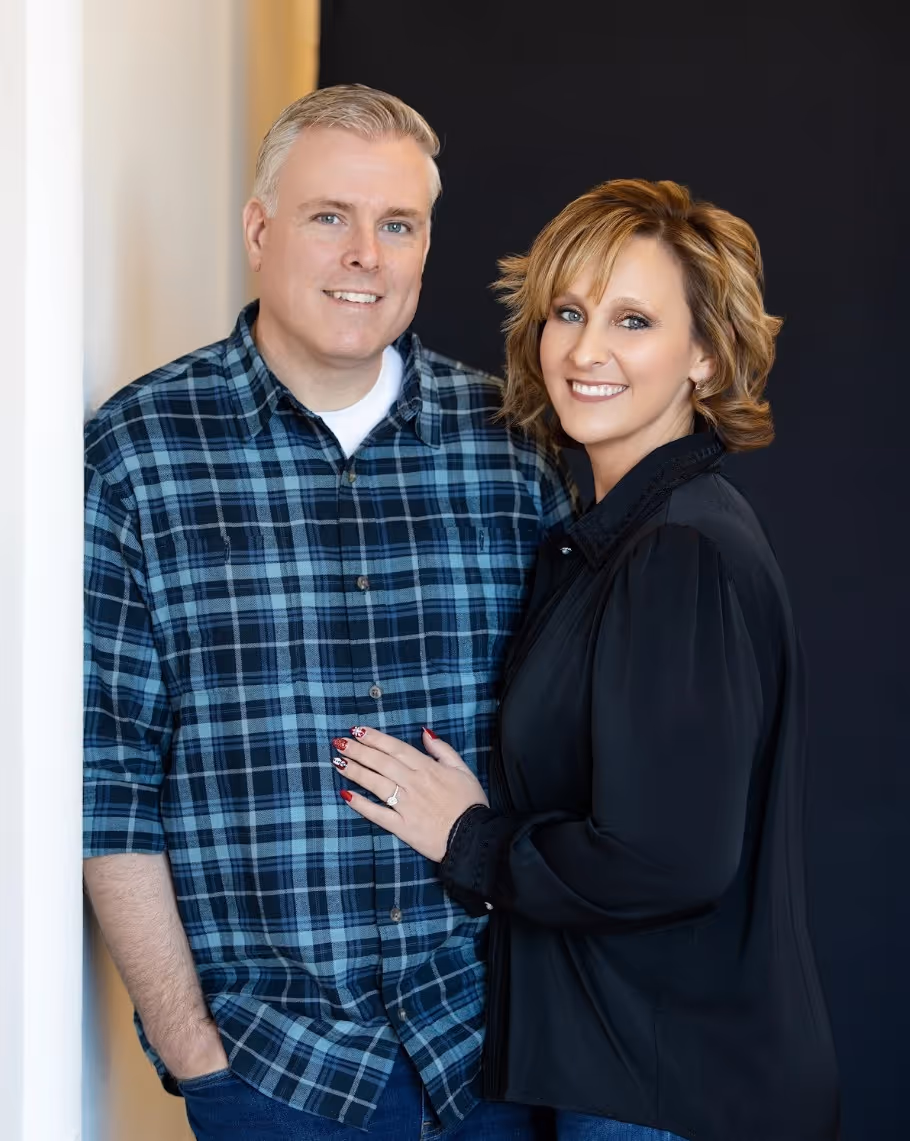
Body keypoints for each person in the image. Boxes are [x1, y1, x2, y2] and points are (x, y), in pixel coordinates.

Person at [83, 85, 577, 1141]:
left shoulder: (513, 451)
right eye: (329, 216)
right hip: (273, 1072)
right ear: (260, 230)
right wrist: (193, 1050)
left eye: (397, 224)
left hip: (495, 1048)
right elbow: (106, 778)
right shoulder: (139, 455)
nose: (366, 255)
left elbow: (577, 749)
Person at [331, 179, 841, 1141]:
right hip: (637, 1078)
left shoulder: (677, 550)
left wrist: (470, 839)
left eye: (632, 320)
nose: (585, 350)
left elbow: (667, 859)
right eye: (568, 312)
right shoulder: (618, 536)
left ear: (704, 354)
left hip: (672, 1094)